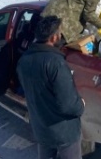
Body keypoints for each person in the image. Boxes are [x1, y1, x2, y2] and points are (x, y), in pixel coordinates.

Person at [17, 16, 85, 159]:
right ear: (54, 38)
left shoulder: (24, 60)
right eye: (59, 33)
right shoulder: (56, 63)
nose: (61, 35)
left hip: (41, 128)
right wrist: (81, 105)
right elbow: (69, 105)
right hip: (64, 133)